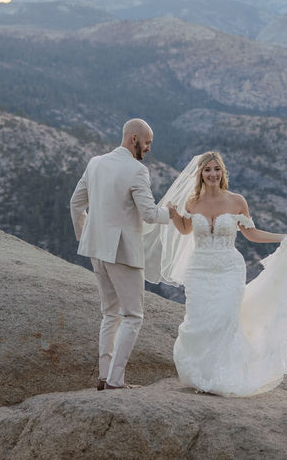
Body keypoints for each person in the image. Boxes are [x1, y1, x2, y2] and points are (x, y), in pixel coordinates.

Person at [143, 151, 287, 396]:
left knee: (225, 318)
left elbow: (251, 234)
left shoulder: (237, 201)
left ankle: (227, 374)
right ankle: (202, 374)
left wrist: (284, 238)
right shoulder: (192, 201)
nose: (212, 174)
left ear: (223, 172)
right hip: (198, 268)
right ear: (200, 173)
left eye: (216, 169)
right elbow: (186, 230)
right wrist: (176, 215)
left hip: (229, 268)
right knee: (200, 319)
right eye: (207, 170)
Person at [70, 118, 173, 390]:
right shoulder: (136, 170)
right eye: (147, 142)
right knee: (133, 316)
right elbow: (149, 214)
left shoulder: (95, 163)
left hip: (97, 250)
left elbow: (76, 204)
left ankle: (104, 376)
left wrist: (86, 234)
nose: (149, 148)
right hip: (123, 253)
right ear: (134, 139)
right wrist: (172, 213)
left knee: (110, 314)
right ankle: (116, 380)